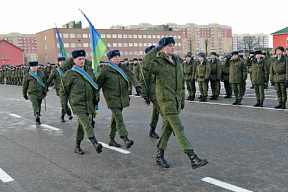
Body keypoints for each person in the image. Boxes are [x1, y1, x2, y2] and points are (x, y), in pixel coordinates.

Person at [142, 36, 208, 170]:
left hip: (176, 100)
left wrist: (182, 100)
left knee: (167, 129)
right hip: (166, 101)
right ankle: (192, 157)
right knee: (179, 128)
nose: (172, 47)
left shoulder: (177, 61)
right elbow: (145, 64)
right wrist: (155, 49)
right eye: (169, 45)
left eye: (173, 45)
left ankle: (159, 155)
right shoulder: (158, 62)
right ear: (163, 48)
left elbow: (181, 84)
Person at [96, 50, 141, 148]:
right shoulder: (105, 71)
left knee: (115, 119)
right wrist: (96, 97)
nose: (117, 59)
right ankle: (125, 138)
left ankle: (111, 139)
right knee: (119, 118)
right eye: (115, 57)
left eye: (118, 56)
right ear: (110, 59)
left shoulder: (122, 67)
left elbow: (132, 75)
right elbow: (97, 85)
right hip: (112, 99)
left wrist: (137, 86)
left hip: (122, 97)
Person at [62, 49, 102, 155]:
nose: (82, 61)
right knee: (86, 122)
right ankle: (95, 142)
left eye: (83, 59)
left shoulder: (89, 71)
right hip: (77, 103)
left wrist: (96, 96)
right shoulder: (70, 74)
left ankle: (77, 146)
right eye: (79, 59)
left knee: (81, 125)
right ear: (74, 60)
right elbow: (64, 91)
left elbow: (95, 86)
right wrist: (64, 105)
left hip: (88, 102)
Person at [140, 46, 161, 139]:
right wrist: (145, 96)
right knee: (164, 111)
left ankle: (152, 130)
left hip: (160, 91)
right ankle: (172, 129)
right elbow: (144, 82)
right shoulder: (146, 65)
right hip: (153, 92)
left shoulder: (158, 63)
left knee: (156, 112)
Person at [46, 57, 73, 122]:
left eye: (63, 61)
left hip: (69, 89)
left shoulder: (69, 70)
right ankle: (63, 116)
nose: (62, 63)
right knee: (64, 104)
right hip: (60, 90)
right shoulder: (55, 71)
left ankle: (67, 113)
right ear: (58, 62)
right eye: (61, 61)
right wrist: (45, 87)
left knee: (69, 103)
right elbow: (49, 80)